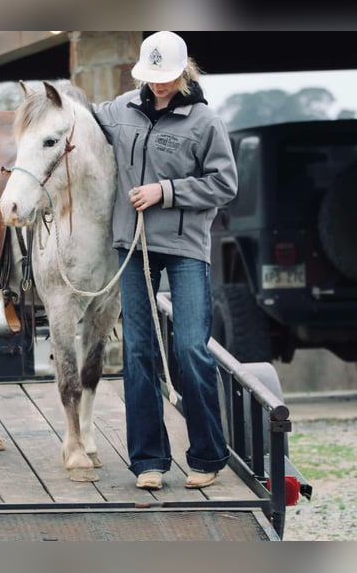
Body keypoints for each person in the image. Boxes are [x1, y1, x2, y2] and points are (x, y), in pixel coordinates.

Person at [92, 31, 238, 490]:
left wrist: (165, 192)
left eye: (168, 77)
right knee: (138, 352)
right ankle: (148, 461)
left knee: (191, 347)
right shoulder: (119, 111)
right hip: (132, 247)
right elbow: (80, 123)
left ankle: (208, 455)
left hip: (185, 248)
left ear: (184, 73)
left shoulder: (204, 121)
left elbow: (225, 184)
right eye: (152, 77)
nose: (158, 85)